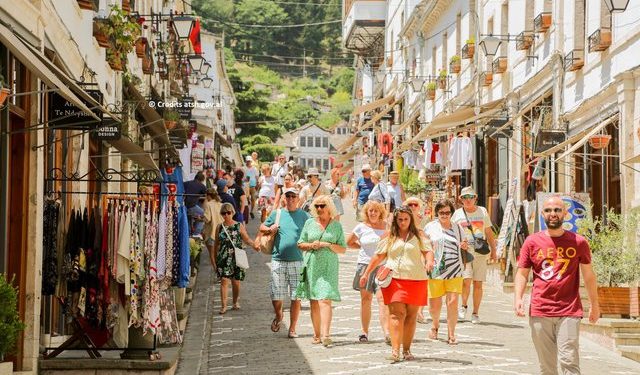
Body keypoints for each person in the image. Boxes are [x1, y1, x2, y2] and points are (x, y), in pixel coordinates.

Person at [514, 196, 600, 375]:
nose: (553, 214)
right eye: (548, 210)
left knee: (569, 361)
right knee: (547, 367)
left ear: (565, 213)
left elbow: (589, 275)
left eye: (557, 210)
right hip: (540, 309)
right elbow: (522, 273)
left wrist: (595, 304)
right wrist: (518, 298)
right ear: (542, 214)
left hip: (569, 310)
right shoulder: (531, 242)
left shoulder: (579, 242)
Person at [359, 206, 434, 362]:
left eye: (406, 219)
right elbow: (378, 257)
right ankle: (395, 350)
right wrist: (366, 273)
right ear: (395, 220)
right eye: (400, 219)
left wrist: (429, 261)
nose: (403, 222)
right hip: (395, 279)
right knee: (396, 314)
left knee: (411, 317)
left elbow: (428, 251)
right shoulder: (389, 236)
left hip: (416, 279)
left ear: (411, 219)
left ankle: (406, 350)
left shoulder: (419, 235)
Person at [296, 195, 346, 347]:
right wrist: (311, 245)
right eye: (316, 206)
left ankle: (326, 334)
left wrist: (327, 244)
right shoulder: (309, 223)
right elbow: (300, 243)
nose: (319, 209)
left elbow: (342, 248)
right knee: (314, 301)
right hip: (312, 264)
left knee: (325, 299)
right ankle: (317, 334)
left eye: (322, 205)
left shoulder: (336, 226)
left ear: (329, 207)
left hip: (329, 266)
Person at [260, 187, 310, 338]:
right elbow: (262, 227)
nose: (291, 199)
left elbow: (314, 230)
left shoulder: (305, 216)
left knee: (297, 296)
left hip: (299, 262)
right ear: (284, 198)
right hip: (278, 260)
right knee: (276, 295)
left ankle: (293, 328)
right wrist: (270, 229)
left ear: (298, 198)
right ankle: (279, 315)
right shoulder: (278, 213)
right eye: (288, 196)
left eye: (293, 196)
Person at [424, 199, 468, 345]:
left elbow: (465, 245)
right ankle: (435, 326)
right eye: (441, 212)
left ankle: (451, 334)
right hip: (436, 270)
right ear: (437, 212)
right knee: (435, 305)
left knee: (453, 302)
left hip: (455, 269)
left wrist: (464, 246)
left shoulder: (458, 228)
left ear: (451, 213)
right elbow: (424, 246)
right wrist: (426, 261)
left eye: (447, 212)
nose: (444, 215)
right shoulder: (430, 227)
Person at [452, 186, 497, 324]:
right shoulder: (457, 214)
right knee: (466, 281)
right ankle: (463, 306)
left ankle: (475, 312)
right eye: (464, 197)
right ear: (461, 199)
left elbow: (488, 232)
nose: (468, 200)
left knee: (478, 283)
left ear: (475, 198)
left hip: (480, 252)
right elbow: (453, 233)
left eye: (470, 197)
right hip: (465, 252)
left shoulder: (482, 211)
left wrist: (494, 251)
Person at [347, 200, 389, 344]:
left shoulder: (386, 227)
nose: (373, 213)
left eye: (376, 211)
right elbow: (349, 242)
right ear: (366, 212)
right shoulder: (361, 227)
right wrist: (361, 248)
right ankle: (364, 332)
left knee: (382, 299)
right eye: (370, 211)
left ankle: (387, 332)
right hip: (364, 265)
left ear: (380, 212)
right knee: (366, 300)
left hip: (382, 266)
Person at [213, 202, 258, 314]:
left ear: (232, 212)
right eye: (224, 213)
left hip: (236, 257)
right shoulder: (219, 227)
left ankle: (235, 301)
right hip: (223, 257)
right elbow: (216, 245)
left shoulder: (239, 226)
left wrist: (254, 246)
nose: (226, 215)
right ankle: (223, 306)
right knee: (224, 280)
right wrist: (214, 260)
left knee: (236, 282)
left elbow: (246, 239)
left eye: (228, 212)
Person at [203, 188, 223, 266]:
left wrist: (200, 218)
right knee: (219, 253)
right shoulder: (221, 204)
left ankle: (216, 270)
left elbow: (207, 219)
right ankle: (221, 269)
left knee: (212, 255)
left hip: (212, 232)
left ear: (208, 196)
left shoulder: (208, 204)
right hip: (221, 231)